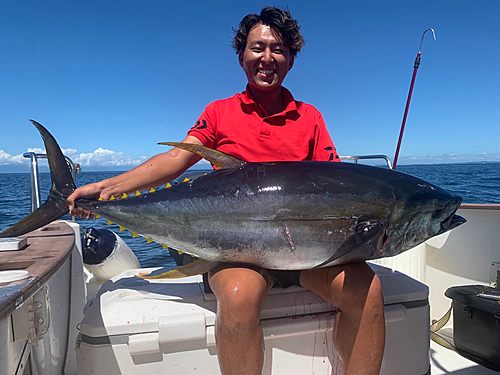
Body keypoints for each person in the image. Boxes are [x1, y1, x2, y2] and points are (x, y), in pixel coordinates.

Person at [68, 6, 385, 375]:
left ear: (291, 60)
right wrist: (105, 190)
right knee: (238, 298)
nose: (267, 58)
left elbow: (337, 188)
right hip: (236, 248)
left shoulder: (309, 117)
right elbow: (175, 159)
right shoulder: (219, 112)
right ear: (241, 56)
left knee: (368, 293)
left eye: (278, 49)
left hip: (306, 252)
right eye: (257, 47)